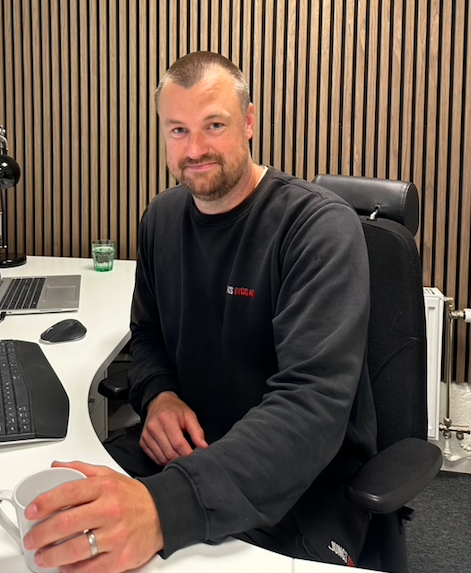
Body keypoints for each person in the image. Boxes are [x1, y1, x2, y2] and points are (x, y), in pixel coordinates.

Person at [22, 51, 377, 573]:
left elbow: (313, 405)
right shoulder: (161, 218)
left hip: (300, 480)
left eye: (214, 125)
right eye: (178, 130)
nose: (195, 150)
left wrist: (163, 510)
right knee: (52, 527)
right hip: (187, 452)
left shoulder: (316, 227)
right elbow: (146, 334)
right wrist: (158, 397)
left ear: (249, 122)